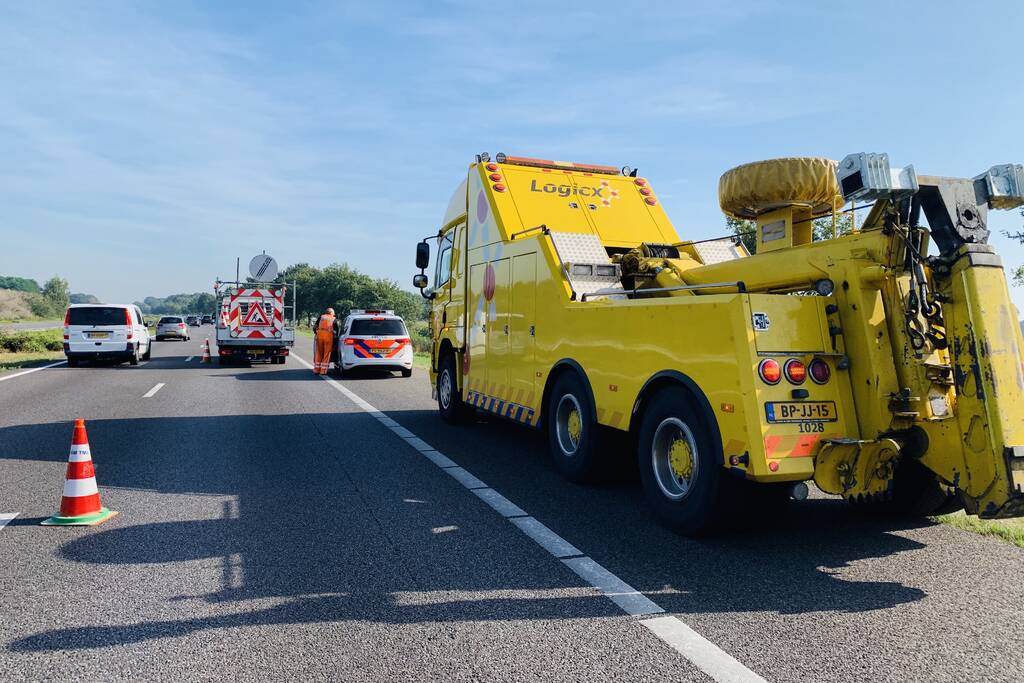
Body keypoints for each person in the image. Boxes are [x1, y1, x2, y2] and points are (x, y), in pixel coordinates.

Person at [312, 307, 340, 374]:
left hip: (319, 336)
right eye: (333, 313)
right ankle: (323, 370)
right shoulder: (333, 319)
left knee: (319, 352)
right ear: (331, 313)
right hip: (328, 337)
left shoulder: (321, 317)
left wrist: (316, 333)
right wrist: (336, 337)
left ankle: (316, 369)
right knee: (326, 353)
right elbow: (337, 330)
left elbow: (315, 327)